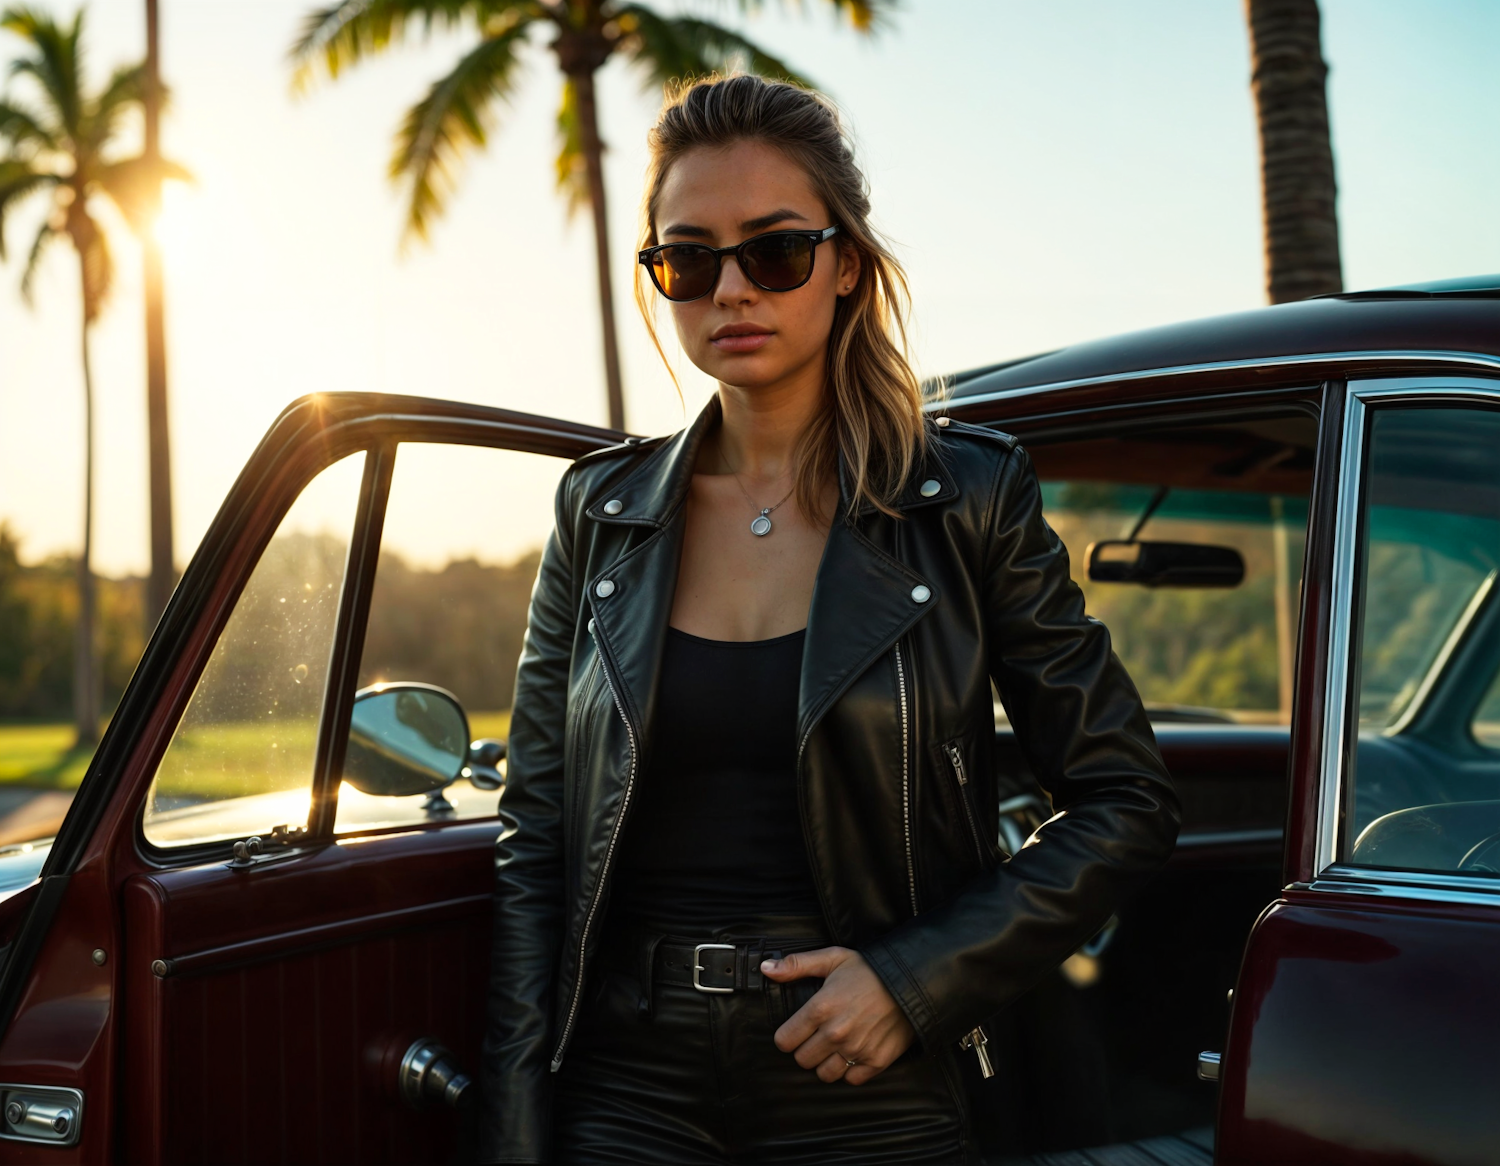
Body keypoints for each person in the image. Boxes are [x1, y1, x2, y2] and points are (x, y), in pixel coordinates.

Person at [479, 74, 1179, 1165]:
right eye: (689, 259)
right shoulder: (600, 512)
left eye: (774, 251)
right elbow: (537, 838)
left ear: (845, 263)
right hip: (628, 1080)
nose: (730, 292)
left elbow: (1122, 797)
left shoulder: (967, 498)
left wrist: (915, 980)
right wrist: (514, 1125)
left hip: (868, 1079)